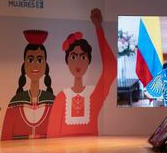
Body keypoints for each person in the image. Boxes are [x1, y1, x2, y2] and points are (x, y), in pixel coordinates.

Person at [46, 8, 116, 137]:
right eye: (73, 57)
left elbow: (111, 68)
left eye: (83, 57)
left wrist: (98, 28)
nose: (78, 62)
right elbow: (52, 135)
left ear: (88, 61)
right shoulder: (61, 98)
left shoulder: (94, 94)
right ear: (67, 60)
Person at [1, 30, 54, 140]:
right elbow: (6, 138)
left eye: (39, 60)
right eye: (30, 59)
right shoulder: (15, 102)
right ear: (24, 65)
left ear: (45, 65)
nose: (35, 64)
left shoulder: (52, 101)